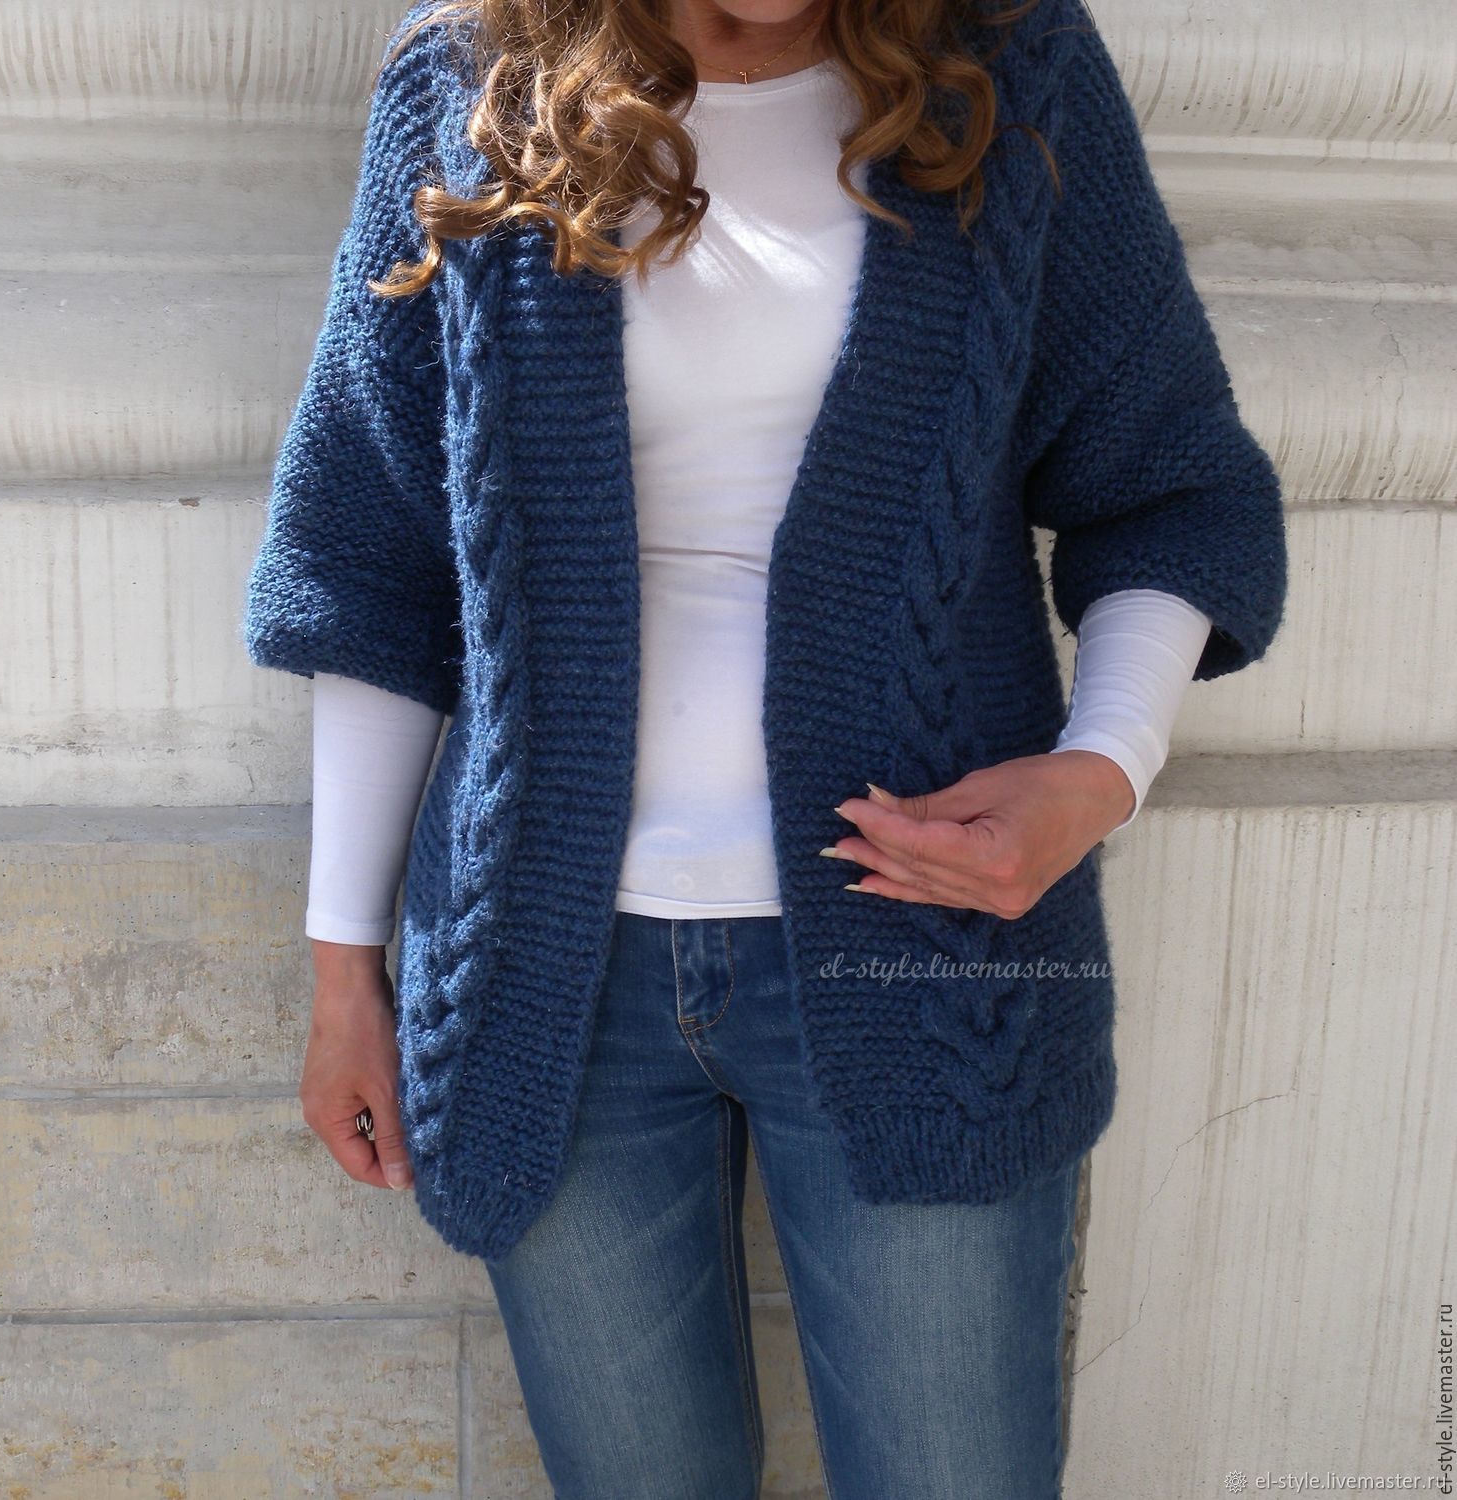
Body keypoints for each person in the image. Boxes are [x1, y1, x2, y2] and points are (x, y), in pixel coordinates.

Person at [242, 0, 1288, 1492]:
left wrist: (1099, 771)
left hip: (922, 954)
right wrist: (344, 967)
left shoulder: (1003, 66)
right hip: (547, 976)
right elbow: (370, 563)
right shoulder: (474, 79)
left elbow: (1169, 483)